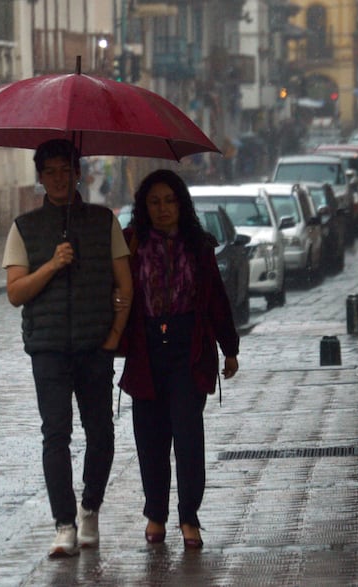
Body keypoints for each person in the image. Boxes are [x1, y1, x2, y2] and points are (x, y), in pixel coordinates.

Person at [2, 139, 133, 557]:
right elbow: (16, 292)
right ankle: (64, 524)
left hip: (95, 347)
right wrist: (53, 264)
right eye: (51, 171)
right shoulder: (24, 228)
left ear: (78, 173)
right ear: (40, 178)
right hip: (49, 349)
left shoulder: (102, 222)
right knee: (55, 436)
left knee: (101, 435)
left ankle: (91, 507)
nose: (59, 178)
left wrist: (113, 337)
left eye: (66, 170)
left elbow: (124, 285)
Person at [117, 169, 239, 550]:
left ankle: (189, 517)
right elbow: (114, 293)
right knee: (150, 439)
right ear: (144, 207)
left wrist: (229, 347)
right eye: (154, 202)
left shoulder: (198, 245)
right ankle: (156, 512)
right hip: (145, 351)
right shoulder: (130, 244)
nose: (163, 208)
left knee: (188, 438)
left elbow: (216, 299)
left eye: (170, 200)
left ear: (181, 204)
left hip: (190, 351)